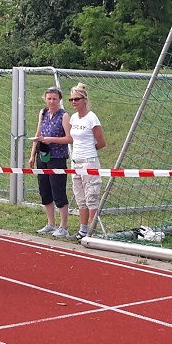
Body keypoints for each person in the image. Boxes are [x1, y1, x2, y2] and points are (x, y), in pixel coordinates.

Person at [28, 86, 71, 237]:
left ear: (59, 100)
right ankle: (51, 223)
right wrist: (32, 155)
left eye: (54, 99)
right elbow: (38, 133)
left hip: (57, 157)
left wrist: (51, 139)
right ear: (45, 99)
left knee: (58, 190)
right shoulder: (43, 112)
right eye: (49, 99)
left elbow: (69, 138)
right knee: (44, 190)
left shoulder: (64, 116)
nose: (51, 101)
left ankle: (63, 226)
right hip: (43, 155)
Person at [67, 83, 107, 240]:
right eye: (71, 99)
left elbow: (101, 142)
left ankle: (92, 231)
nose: (73, 102)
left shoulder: (92, 118)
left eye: (76, 99)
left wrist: (90, 151)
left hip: (89, 161)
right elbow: (72, 138)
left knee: (91, 197)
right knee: (80, 198)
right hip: (75, 161)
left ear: (84, 100)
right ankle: (82, 229)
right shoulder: (73, 118)